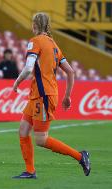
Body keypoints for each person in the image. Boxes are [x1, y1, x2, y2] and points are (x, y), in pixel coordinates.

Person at [12, 12, 91, 179]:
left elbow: (27, 68)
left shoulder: (35, 42)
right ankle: (30, 171)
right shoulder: (53, 45)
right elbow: (70, 71)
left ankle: (80, 156)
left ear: (34, 25)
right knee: (23, 130)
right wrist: (67, 96)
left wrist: (17, 82)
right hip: (41, 94)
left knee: (41, 139)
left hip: (43, 95)